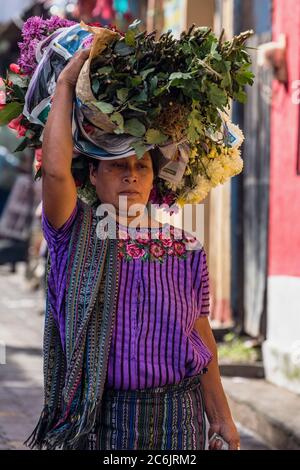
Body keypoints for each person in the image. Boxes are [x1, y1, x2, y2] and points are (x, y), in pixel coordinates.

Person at [25, 50, 240, 451]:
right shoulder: (75, 234)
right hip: (100, 418)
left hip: (180, 418)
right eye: (116, 166)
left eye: (142, 166)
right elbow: (55, 171)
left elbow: (199, 333)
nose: (131, 176)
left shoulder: (186, 247)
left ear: (153, 177)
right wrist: (68, 84)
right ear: (92, 173)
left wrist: (222, 417)